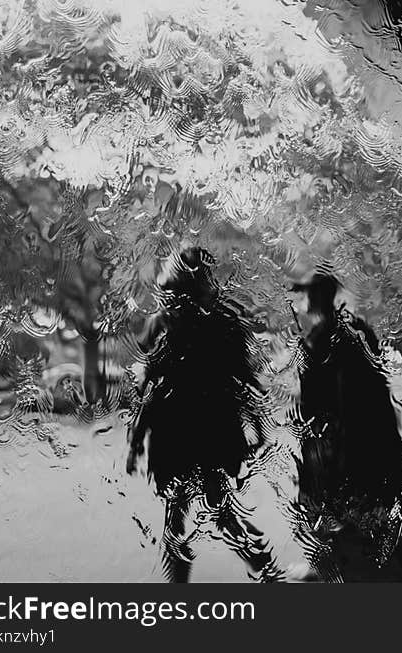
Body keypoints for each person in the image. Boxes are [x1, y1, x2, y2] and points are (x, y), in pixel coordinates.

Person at [126, 246, 277, 582]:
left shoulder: (175, 323)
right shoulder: (218, 321)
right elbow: (245, 381)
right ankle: (267, 574)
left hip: (184, 437)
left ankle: (258, 574)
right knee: (214, 512)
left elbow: (149, 384)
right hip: (204, 435)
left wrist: (137, 437)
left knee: (184, 517)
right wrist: (258, 429)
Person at [288, 273, 402, 581]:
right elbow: (378, 389)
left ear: (314, 301)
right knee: (374, 505)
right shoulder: (356, 331)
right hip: (372, 438)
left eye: (307, 298)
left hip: (344, 445)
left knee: (341, 509)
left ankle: (346, 565)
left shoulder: (317, 342)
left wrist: (314, 453)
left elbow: (313, 407)